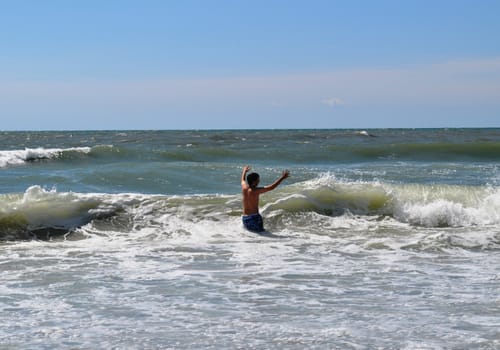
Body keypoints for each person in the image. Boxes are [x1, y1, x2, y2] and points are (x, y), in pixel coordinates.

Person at [241, 165, 290, 232]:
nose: (259, 181)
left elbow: (243, 180)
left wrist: (244, 171)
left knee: (252, 236)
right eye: (258, 180)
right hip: (254, 218)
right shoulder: (256, 191)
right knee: (261, 235)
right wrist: (282, 178)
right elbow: (271, 187)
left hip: (245, 218)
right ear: (254, 182)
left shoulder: (244, 187)